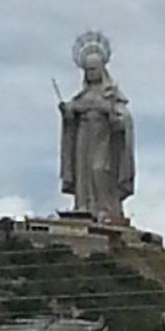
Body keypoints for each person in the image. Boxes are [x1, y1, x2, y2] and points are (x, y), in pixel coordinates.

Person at [58, 31, 135, 224]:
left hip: (103, 139)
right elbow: (72, 116)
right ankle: (83, 207)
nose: (90, 73)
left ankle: (105, 208)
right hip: (83, 137)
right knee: (83, 173)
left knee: (99, 169)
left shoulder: (111, 93)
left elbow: (123, 117)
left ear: (102, 69)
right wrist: (67, 114)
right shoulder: (81, 96)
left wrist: (113, 117)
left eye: (94, 69)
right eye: (88, 69)